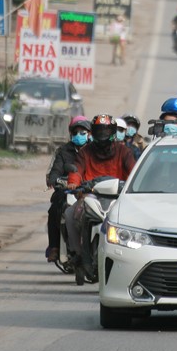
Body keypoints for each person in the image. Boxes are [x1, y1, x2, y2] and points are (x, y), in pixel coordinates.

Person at [65, 115, 137, 278]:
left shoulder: (124, 152)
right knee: (69, 215)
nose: (102, 134)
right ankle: (76, 253)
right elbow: (76, 170)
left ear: (112, 132)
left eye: (105, 130)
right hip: (90, 196)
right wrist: (73, 183)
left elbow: (133, 172)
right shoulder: (85, 152)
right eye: (99, 130)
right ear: (93, 132)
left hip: (118, 198)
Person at [44, 116, 90, 263]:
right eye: (76, 133)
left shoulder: (94, 151)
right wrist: (57, 180)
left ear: (89, 134)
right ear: (71, 134)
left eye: (83, 132)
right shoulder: (63, 151)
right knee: (54, 210)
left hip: (89, 191)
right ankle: (54, 247)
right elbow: (54, 173)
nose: (79, 136)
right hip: (67, 192)